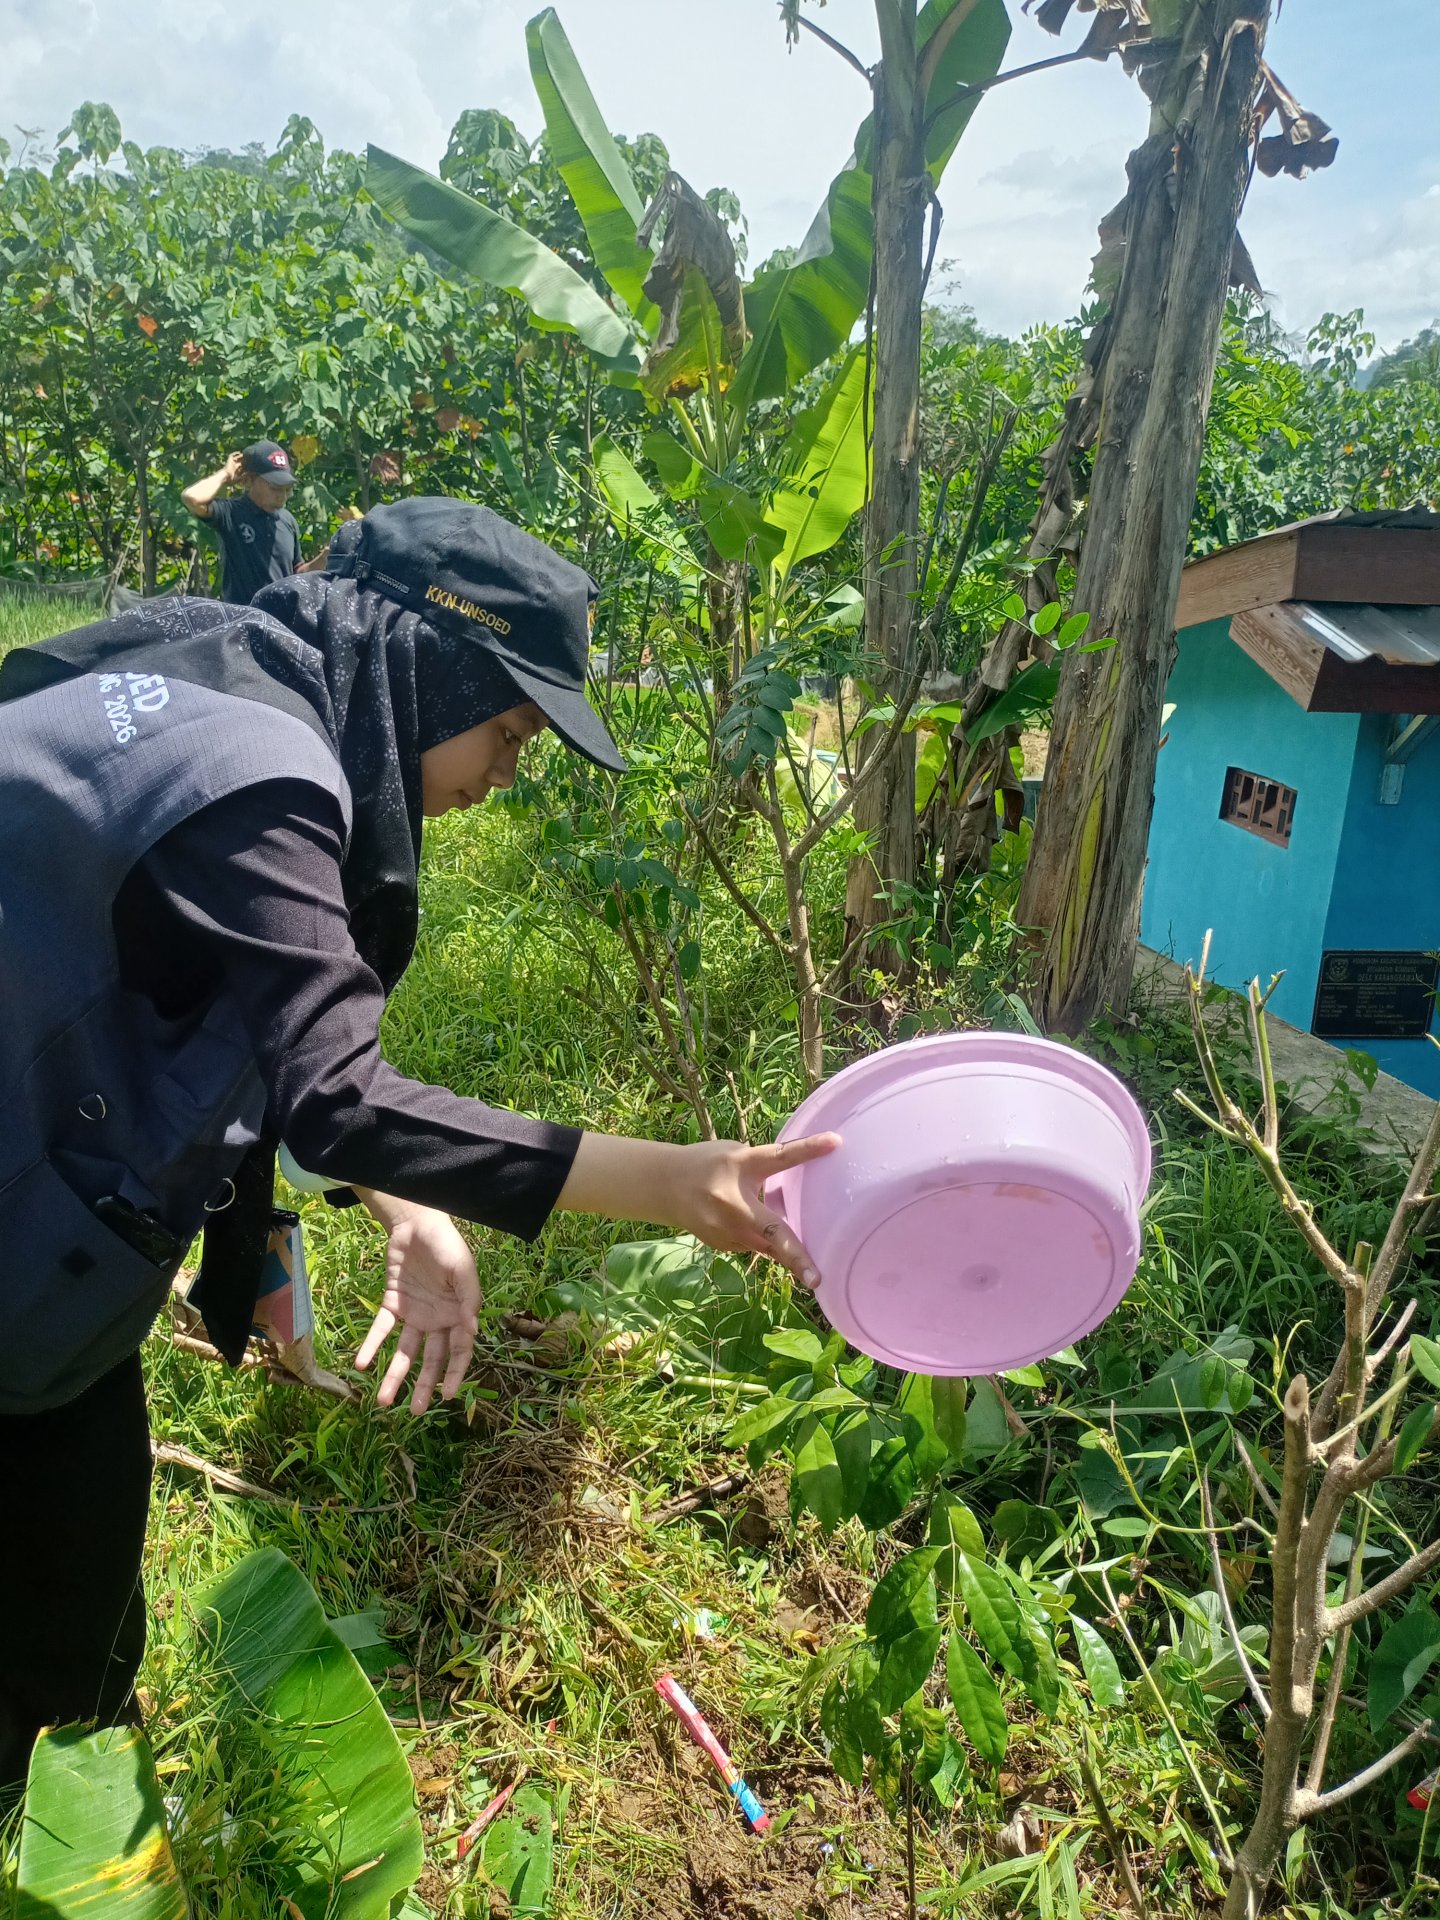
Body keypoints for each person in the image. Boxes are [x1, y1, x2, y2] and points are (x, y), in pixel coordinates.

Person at [0, 496, 835, 1793]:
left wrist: (387, 1215)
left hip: (46, 1208)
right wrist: (679, 1182)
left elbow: (252, 1031)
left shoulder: (219, 671)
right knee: (52, 1608)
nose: (507, 772)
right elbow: (336, 1094)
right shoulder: (262, 767)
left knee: (74, 1601)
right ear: (427, 660)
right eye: (506, 728)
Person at [181, 441, 327, 603]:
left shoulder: (288, 520)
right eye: (275, 487)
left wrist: (324, 558)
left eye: (287, 488)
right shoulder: (231, 513)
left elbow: (296, 574)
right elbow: (192, 498)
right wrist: (225, 474)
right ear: (248, 480)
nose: (283, 495)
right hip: (243, 619)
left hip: (281, 621)